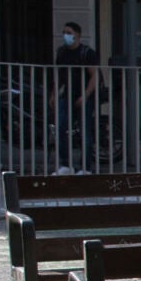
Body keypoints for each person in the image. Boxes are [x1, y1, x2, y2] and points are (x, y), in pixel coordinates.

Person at [52, 20, 99, 173]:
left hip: (84, 96)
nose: (66, 35)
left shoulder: (86, 53)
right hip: (67, 95)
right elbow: (60, 75)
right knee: (60, 128)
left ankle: (85, 167)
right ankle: (66, 164)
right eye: (64, 32)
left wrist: (85, 96)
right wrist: (54, 94)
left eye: (69, 33)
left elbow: (94, 76)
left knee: (85, 132)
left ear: (77, 35)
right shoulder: (61, 52)